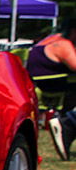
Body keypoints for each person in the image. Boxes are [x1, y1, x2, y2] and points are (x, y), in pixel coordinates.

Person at [26, 16, 76, 160]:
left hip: (39, 84)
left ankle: (69, 125)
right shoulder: (62, 44)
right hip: (53, 84)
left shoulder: (50, 39)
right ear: (74, 31)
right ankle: (68, 123)